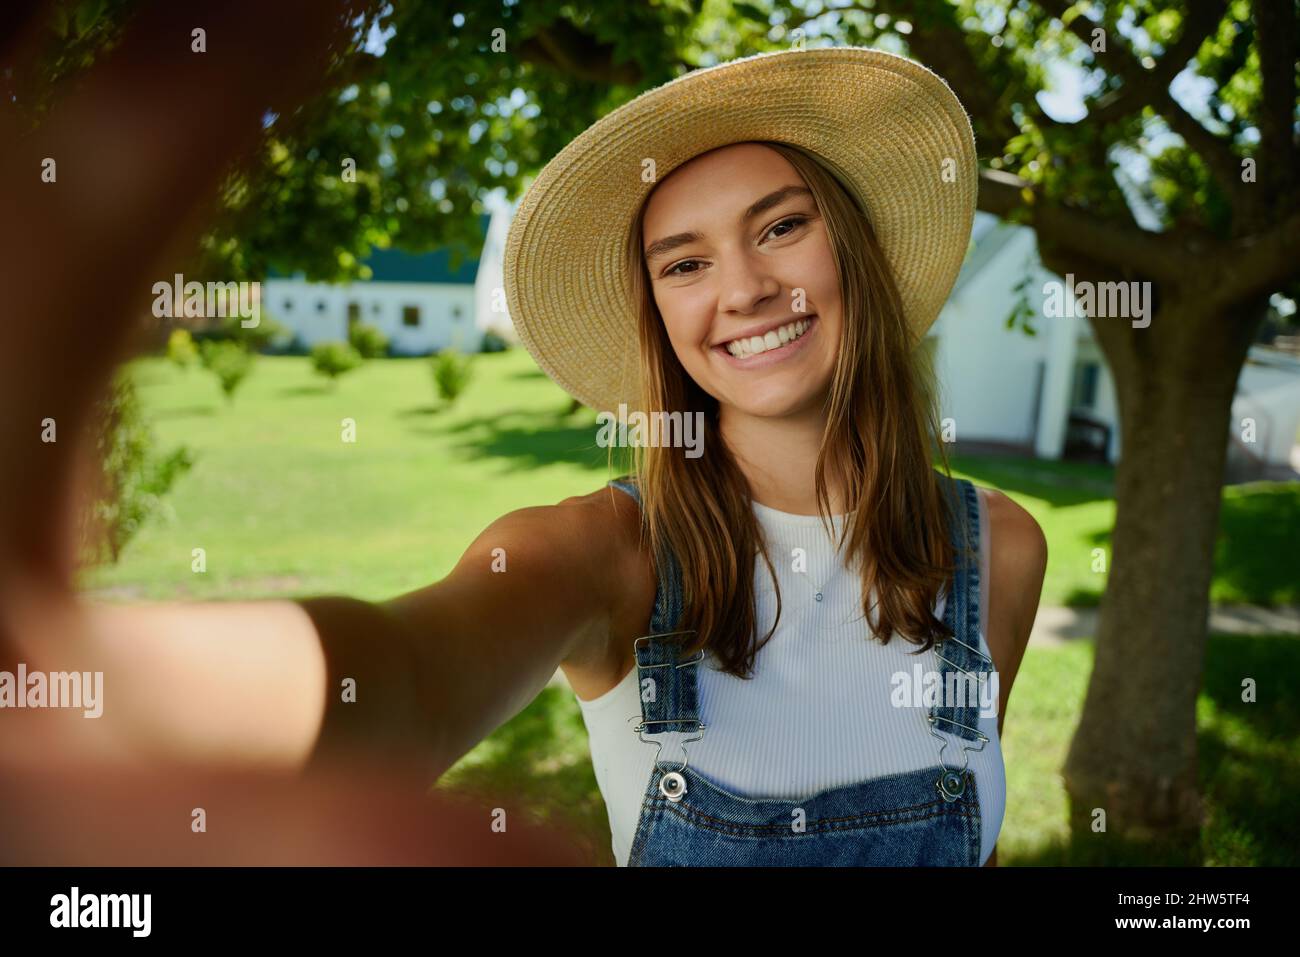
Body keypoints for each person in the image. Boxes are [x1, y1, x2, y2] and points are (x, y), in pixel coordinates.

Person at [4, 41, 1047, 866]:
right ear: (657, 316)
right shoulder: (601, 559)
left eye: (779, 229)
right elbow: (403, 679)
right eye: (683, 262)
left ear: (852, 250)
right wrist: (93, 684)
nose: (741, 289)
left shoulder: (999, 547)